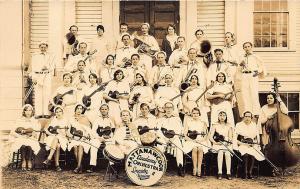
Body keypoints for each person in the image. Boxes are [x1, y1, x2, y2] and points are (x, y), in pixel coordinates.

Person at [237, 42, 266, 117]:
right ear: (243, 48)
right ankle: (247, 112)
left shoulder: (255, 57)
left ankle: (256, 112)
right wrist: (240, 65)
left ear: (251, 47)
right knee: (245, 94)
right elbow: (239, 69)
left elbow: (261, 66)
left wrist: (257, 71)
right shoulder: (241, 57)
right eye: (245, 47)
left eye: (248, 46)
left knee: (254, 93)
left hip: (252, 75)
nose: (247, 48)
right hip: (244, 75)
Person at [156, 102, 185, 176]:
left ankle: (180, 166)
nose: (168, 109)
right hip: (163, 138)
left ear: (173, 109)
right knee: (160, 146)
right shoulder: (160, 119)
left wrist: (173, 137)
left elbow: (179, 129)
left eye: (170, 108)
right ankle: (159, 167)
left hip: (174, 138)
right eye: (167, 107)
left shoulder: (177, 118)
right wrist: (164, 138)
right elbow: (158, 130)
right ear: (164, 109)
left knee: (179, 147)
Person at [9, 104, 41, 171]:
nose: (28, 112)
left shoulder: (34, 121)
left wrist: (33, 134)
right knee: (22, 144)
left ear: (32, 111)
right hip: (21, 137)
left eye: (30, 110)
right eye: (26, 110)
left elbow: (37, 131)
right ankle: (23, 160)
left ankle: (29, 160)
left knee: (30, 144)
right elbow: (12, 132)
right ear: (24, 111)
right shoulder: (19, 120)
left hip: (30, 138)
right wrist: (20, 136)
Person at [87, 104, 116, 173]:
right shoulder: (97, 120)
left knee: (111, 145)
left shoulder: (111, 119)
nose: (104, 110)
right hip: (99, 137)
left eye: (105, 109)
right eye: (102, 109)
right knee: (94, 144)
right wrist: (99, 138)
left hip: (108, 138)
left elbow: (113, 131)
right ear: (100, 110)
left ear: (108, 110)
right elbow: (93, 131)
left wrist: (110, 136)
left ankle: (112, 165)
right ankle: (92, 165)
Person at [236, 111, 265, 179]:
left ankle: (250, 172)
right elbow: (235, 139)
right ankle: (245, 172)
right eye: (246, 116)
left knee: (252, 154)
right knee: (245, 154)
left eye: (249, 116)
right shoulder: (239, 125)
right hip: (242, 144)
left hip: (252, 144)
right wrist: (243, 144)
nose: (247, 118)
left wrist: (254, 143)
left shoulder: (254, 125)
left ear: (251, 118)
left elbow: (257, 139)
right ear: (243, 117)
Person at [31, 41, 55, 118]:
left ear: (47, 47)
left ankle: (46, 113)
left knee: (46, 94)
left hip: (47, 76)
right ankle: (38, 113)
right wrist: (34, 77)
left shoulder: (50, 56)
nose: (43, 48)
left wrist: (47, 68)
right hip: (38, 75)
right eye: (41, 47)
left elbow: (53, 67)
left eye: (45, 47)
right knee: (38, 95)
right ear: (39, 47)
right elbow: (33, 68)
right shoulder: (35, 56)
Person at [183, 107, 210, 177]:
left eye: (197, 113)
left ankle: (199, 168)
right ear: (191, 114)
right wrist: (191, 140)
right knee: (194, 149)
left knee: (200, 149)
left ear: (199, 114)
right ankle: (194, 168)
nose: (195, 115)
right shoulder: (188, 122)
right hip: (191, 140)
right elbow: (184, 135)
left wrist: (201, 140)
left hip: (201, 140)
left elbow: (206, 135)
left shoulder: (203, 122)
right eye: (194, 113)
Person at [67, 104, 92, 173]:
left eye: (81, 109)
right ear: (75, 110)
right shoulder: (71, 119)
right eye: (78, 108)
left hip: (83, 138)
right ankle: (80, 166)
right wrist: (72, 137)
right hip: (74, 138)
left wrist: (86, 136)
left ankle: (78, 167)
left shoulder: (85, 118)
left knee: (80, 146)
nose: (79, 110)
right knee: (75, 146)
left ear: (82, 110)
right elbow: (68, 131)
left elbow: (88, 130)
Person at [43, 106, 69, 171]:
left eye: (60, 111)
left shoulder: (66, 120)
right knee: (57, 145)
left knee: (57, 138)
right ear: (55, 113)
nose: (58, 113)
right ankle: (57, 165)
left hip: (62, 137)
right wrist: (51, 134)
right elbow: (45, 129)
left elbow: (66, 133)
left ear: (62, 112)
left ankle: (49, 158)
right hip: (52, 136)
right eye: (57, 112)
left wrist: (61, 132)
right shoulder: (52, 119)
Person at [209, 111, 234, 180]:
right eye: (220, 115)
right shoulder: (215, 125)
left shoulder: (229, 125)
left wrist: (228, 142)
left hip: (226, 143)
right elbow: (210, 137)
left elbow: (230, 137)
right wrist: (216, 143)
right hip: (217, 144)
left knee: (227, 154)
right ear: (218, 116)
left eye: (223, 115)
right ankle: (219, 172)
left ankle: (228, 173)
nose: (222, 117)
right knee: (220, 152)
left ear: (226, 117)